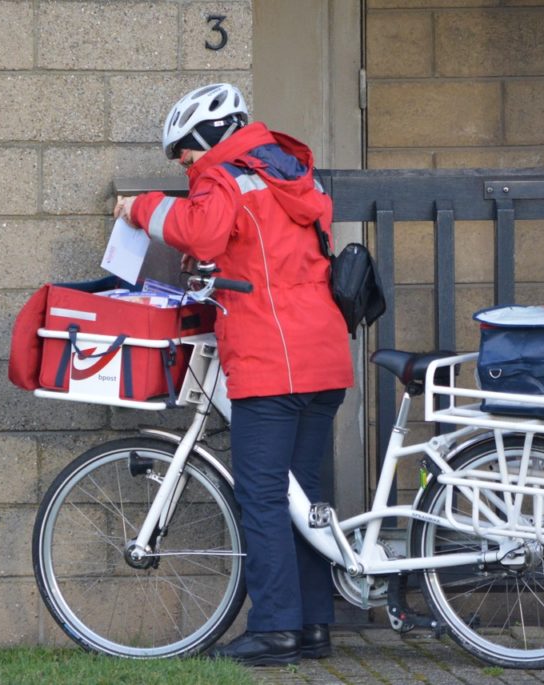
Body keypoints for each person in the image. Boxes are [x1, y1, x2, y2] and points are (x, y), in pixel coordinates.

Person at [114, 83, 354, 666]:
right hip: (323, 355)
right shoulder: (290, 173)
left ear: (207, 138)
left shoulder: (228, 178)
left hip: (272, 359)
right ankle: (313, 626)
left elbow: (200, 230)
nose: (181, 163)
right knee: (304, 497)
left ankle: (274, 631)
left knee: (264, 497)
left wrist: (138, 207)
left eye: (183, 151)